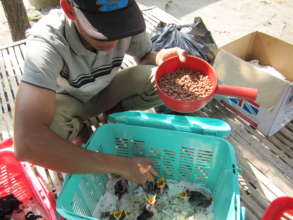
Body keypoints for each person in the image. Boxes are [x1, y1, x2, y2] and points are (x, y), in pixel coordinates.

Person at [14, 0, 187, 185]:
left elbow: (144, 58)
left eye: (120, 27)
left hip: (107, 90)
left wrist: (159, 58)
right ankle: (79, 130)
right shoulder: (47, 42)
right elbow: (27, 144)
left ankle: (111, 117)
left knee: (161, 78)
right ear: (69, 10)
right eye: (102, 30)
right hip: (70, 103)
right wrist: (122, 165)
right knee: (51, 129)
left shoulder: (126, 17)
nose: (113, 41)